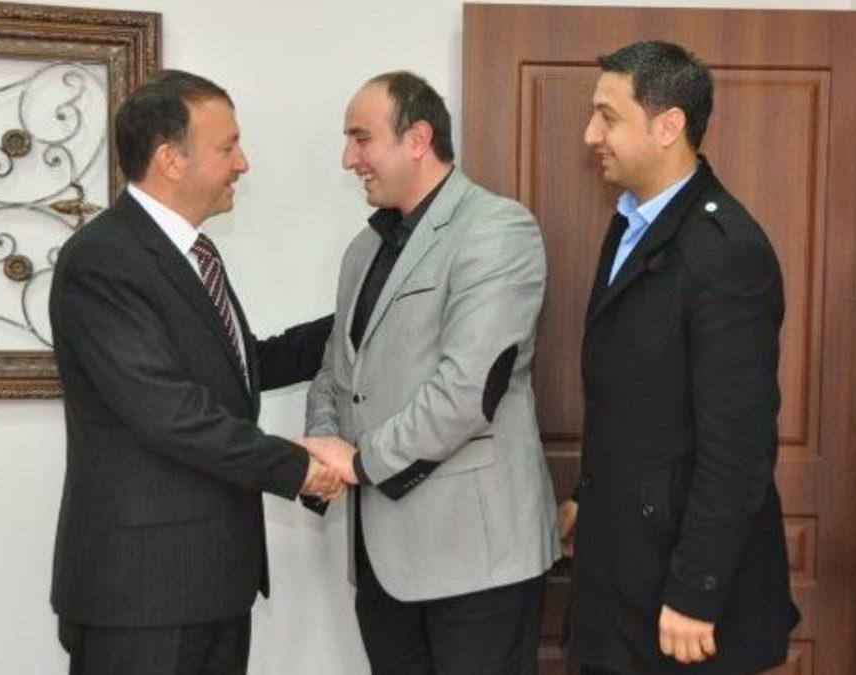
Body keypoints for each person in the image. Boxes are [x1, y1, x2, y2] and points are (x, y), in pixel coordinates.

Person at [49, 70, 340, 675]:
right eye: (228, 146)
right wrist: (296, 466)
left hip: (213, 584)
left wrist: (364, 316)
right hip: (143, 596)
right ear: (170, 159)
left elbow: (237, 369)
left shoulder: (193, 253)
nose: (243, 163)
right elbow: (170, 413)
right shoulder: (102, 260)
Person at [302, 71, 558, 675]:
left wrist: (359, 462)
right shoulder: (363, 250)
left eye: (361, 138)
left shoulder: (497, 229)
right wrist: (322, 448)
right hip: (382, 562)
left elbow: (467, 390)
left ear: (417, 139)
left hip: (477, 561)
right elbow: (335, 370)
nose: (348, 159)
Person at [557, 41, 799, 675]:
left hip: (682, 598)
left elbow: (738, 447)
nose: (590, 135)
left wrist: (697, 591)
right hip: (621, 570)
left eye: (608, 117)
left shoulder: (725, 250)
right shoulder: (631, 223)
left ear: (668, 126)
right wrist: (588, 497)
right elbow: (631, 401)